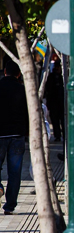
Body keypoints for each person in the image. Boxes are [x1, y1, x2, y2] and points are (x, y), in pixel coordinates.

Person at [0, 62, 29, 215]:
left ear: (5, 72)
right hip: (17, 135)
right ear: (18, 74)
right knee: (15, 172)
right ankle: (9, 206)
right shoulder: (22, 89)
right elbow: (28, 113)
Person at [44, 64, 64, 142]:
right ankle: (58, 135)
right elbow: (48, 90)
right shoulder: (52, 77)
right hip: (55, 102)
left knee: (59, 120)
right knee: (56, 120)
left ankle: (59, 135)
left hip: (57, 103)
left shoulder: (61, 77)